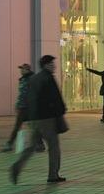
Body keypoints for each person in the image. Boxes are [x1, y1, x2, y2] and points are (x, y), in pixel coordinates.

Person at [11, 55, 67, 184]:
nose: (54, 65)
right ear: (46, 65)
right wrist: (60, 110)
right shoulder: (47, 78)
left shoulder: (35, 78)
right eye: (51, 63)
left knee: (31, 147)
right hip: (47, 118)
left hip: (35, 119)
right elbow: (54, 98)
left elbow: (30, 99)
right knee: (53, 146)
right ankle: (53, 174)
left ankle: (17, 167)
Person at [3, 64, 46, 152]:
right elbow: (21, 94)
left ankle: (40, 144)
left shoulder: (32, 79)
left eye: (22, 69)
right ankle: (10, 144)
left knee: (33, 127)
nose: (21, 71)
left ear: (27, 70)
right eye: (21, 69)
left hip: (30, 107)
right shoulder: (22, 79)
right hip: (23, 107)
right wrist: (18, 104)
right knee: (19, 126)